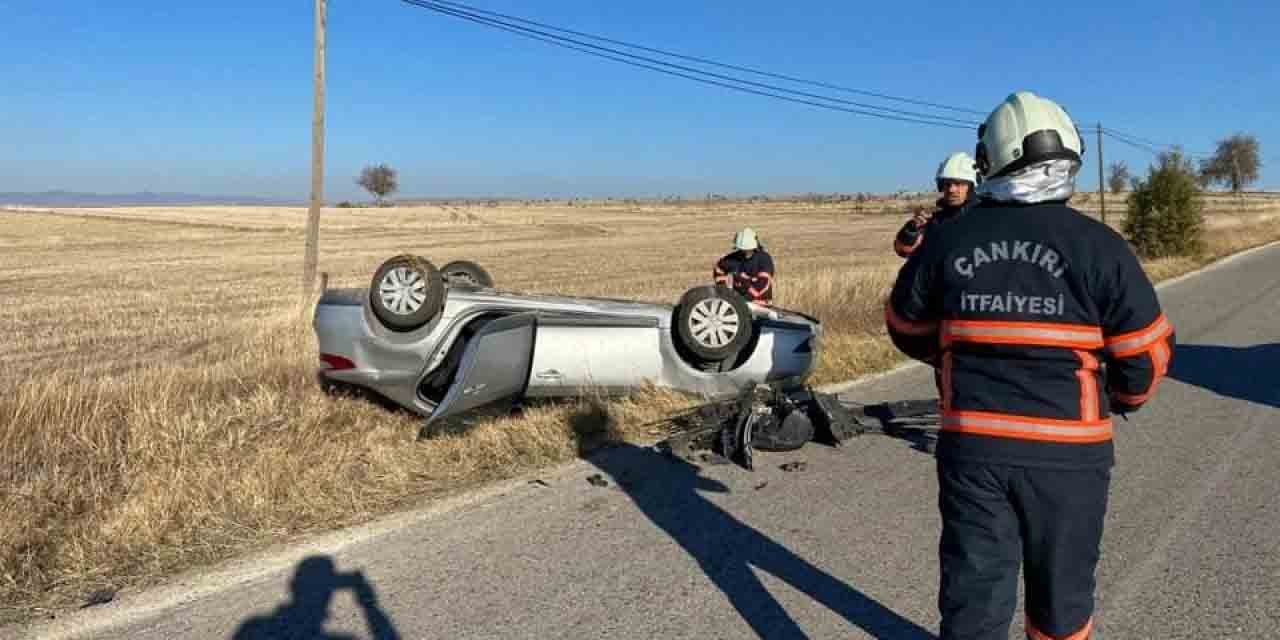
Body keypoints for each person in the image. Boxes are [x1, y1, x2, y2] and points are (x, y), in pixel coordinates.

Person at [885, 91, 1175, 640]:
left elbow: (905, 326)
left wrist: (954, 359)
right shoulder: (1101, 247)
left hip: (974, 448)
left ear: (989, 159)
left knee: (975, 596)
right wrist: (1121, 398)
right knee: (1062, 600)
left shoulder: (949, 241)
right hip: (1071, 456)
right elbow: (1145, 355)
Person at [894, 152, 979, 258]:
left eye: (958, 183)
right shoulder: (934, 222)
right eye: (947, 184)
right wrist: (912, 229)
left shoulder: (984, 219)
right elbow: (902, 251)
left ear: (971, 187)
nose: (951, 189)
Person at [714, 227, 775, 303]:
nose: (745, 251)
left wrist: (742, 300)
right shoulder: (732, 258)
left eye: (747, 249)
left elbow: (763, 283)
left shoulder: (764, 259)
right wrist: (723, 290)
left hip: (760, 304)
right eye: (742, 249)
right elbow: (719, 268)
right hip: (738, 303)